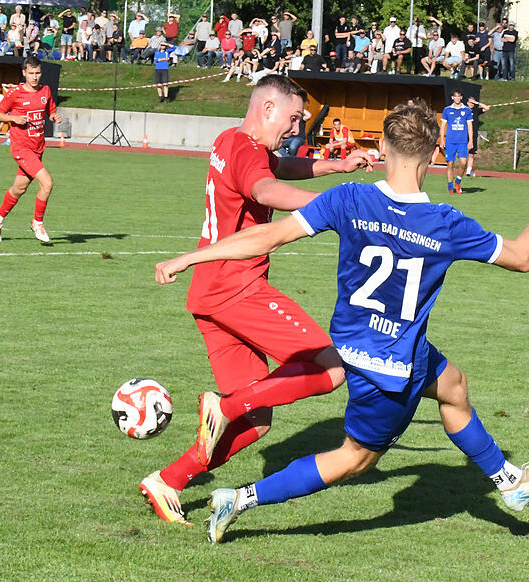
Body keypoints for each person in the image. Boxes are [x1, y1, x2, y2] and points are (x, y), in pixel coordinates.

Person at [160, 100, 529, 545]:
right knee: (354, 458)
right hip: (391, 369)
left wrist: (194, 255)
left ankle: (509, 480)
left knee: (453, 386)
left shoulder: (350, 198)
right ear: (436, 153)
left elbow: (269, 235)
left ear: (382, 145)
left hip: (354, 347)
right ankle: (239, 498)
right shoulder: (445, 223)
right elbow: (524, 257)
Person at [140, 75, 373, 525]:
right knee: (330, 369)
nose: (295, 128)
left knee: (258, 421)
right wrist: (331, 208)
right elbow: (266, 190)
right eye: (292, 118)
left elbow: (275, 170)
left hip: (209, 292)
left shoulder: (232, 140)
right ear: (268, 109)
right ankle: (221, 407)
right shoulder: (249, 151)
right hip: (237, 287)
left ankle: (168, 480)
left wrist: (334, 166)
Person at [0, 56, 62, 244]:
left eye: (37, 73)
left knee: (19, 188)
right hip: (21, 147)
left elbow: (51, 111)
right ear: (24, 73)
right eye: (31, 73)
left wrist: (54, 117)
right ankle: (37, 223)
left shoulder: (45, 91)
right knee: (47, 183)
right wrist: (13, 119)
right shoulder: (15, 93)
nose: (35, 77)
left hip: (38, 147)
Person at [440, 89, 471, 195]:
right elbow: (443, 125)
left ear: (461, 97)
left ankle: (457, 181)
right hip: (450, 141)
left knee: (463, 163)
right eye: (455, 96)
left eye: (459, 96)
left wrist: (470, 140)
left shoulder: (466, 110)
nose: (457, 98)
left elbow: (470, 126)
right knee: (450, 164)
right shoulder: (447, 110)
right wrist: (442, 139)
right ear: (452, 98)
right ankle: (450, 186)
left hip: (462, 141)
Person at [465, 96, 489, 176]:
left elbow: (487, 108)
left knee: (471, 154)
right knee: (464, 154)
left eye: (473, 103)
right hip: (464, 135)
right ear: (467, 103)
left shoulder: (476, 110)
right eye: (470, 102)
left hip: (474, 135)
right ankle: (470, 168)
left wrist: (476, 103)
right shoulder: (464, 110)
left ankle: (468, 171)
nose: (471, 104)